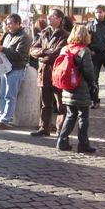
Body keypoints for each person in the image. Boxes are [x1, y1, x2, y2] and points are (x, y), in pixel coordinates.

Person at [29, 8, 70, 137]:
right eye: (49, 15)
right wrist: (44, 52)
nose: (49, 17)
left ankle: (61, 129)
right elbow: (32, 49)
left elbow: (57, 53)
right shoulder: (44, 33)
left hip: (58, 72)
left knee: (60, 104)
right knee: (45, 103)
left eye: (52, 16)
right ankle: (44, 127)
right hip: (44, 72)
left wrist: (43, 54)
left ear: (59, 19)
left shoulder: (64, 35)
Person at [56, 25, 97, 154]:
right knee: (83, 116)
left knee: (70, 115)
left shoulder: (65, 48)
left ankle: (62, 141)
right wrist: (93, 84)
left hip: (67, 87)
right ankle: (83, 144)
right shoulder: (84, 51)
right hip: (81, 87)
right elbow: (89, 72)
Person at [0, 13, 31, 130]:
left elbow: (20, 55)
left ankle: (5, 120)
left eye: (11, 23)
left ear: (18, 23)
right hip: (5, 67)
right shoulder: (8, 35)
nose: (9, 26)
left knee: (9, 95)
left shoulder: (24, 37)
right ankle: (0, 117)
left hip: (16, 68)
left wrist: (3, 49)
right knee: (2, 94)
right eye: (7, 24)